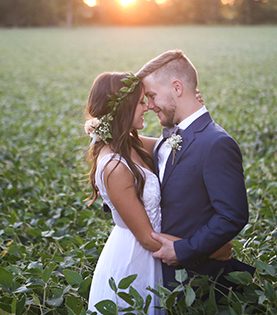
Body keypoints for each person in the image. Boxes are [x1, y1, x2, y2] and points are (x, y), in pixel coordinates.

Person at [84, 71, 231, 314]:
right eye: (141, 102)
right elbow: (146, 238)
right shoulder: (114, 167)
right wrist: (210, 249)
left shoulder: (130, 143)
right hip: (135, 261)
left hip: (154, 256)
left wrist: (189, 111)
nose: (148, 107)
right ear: (122, 108)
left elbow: (179, 143)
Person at [136, 50, 255, 292]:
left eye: (151, 96)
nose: (148, 106)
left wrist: (185, 250)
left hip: (198, 282)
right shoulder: (166, 140)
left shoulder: (216, 143)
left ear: (177, 88)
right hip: (157, 275)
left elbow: (233, 215)